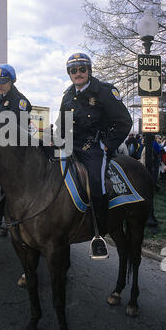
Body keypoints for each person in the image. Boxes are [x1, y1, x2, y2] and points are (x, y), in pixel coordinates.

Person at [58, 52, 132, 259]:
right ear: (69, 74)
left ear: (89, 70)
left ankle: (98, 233)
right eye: (74, 70)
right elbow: (62, 126)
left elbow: (124, 122)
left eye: (82, 69)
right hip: (72, 145)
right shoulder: (67, 95)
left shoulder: (105, 92)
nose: (78, 73)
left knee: (96, 182)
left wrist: (107, 146)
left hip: (96, 147)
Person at [0, 64, 32, 230]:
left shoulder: (20, 101)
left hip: (13, 149)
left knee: (4, 179)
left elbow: (17, 130)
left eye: (3, 81)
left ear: (11, 81)